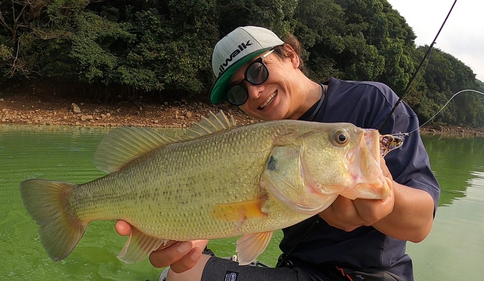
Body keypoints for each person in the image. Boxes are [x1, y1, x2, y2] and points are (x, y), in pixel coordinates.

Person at [115, 26, 440, 281]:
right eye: (238, 91)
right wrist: (197, 228)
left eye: (258, 70)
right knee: (179, 271)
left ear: (290, 55)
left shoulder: (372, 102)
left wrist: (388, 202)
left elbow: (421, 224)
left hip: (367, 277)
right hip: (296, 270)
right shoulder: (249, 142)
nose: (254, 91)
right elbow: (229, 205)